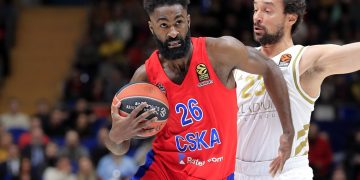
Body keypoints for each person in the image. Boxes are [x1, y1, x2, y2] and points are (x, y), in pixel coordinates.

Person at [106, 0, 294, 179]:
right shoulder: (145, 77)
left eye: (178, 22)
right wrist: (116, 135)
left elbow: (270, 69)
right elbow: (119, 147)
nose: (173, 32)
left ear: (188, 21)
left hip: (220, 174)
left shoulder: (219, 52)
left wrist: (288, 131)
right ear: (151, 27)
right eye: (164, 25)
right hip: (165, 171)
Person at [233, 0, 360, 179]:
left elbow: (352, 54)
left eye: (267, 11)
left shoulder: (301, 59)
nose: (257, 17)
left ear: (291, 18)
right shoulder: (240, 62)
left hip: (286, 172)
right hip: (239, 172)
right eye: (255, 10)